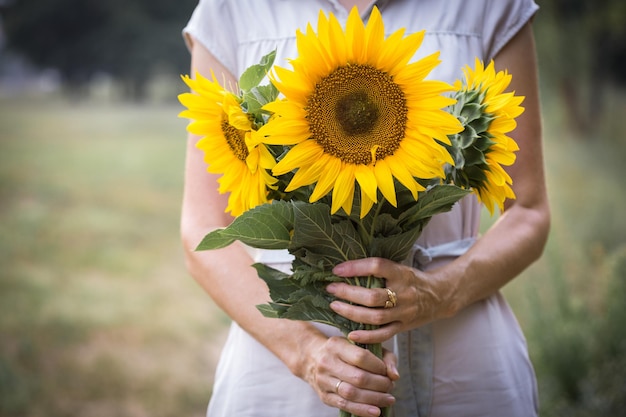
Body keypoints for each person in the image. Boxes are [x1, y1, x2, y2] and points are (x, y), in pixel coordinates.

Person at [180, 0, 550, 416]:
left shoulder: (487, 6)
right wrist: (305, 351)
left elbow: (529, 212)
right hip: (283, 362)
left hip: (460, 358)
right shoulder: (232, 8)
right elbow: (202, 229)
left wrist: (439, 292)